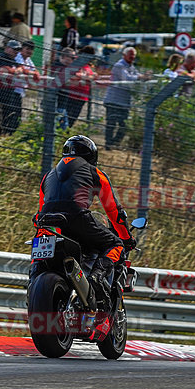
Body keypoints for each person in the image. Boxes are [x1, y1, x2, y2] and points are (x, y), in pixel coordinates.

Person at [33, 135, 135, 324]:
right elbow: (114, 211)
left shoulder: (48, 176)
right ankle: (96, 277)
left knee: (39, 248)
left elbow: (40, 209)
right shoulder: (95, 172)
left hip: (46, 222)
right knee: (116, 244)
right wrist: (126, 238)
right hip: (76, 217)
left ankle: (33, 281)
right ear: (92, 156)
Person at [103, 46, 151, 148]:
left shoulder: (131, 67)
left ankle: (115, 143)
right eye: (130, 55)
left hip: (124, 102)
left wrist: (144, 76)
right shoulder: (119, 66)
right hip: (113, 100)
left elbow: (137, 76)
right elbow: (127, 80)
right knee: (111, 123)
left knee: (124, 125)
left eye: (133, 55)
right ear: (124, 55)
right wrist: (140, 77)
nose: (132, 57)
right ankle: (108, 144)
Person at [0, 40, 25, 136]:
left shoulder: (13, 60)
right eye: (14, 49)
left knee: (10, 113)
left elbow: (20, 69)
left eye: (18, 50)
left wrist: (14, 70)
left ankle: (6, 134)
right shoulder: (0, 57)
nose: (16, 52)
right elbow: (3, 70)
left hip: (9, 90)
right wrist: (14, 70)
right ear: (7, 48)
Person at [62, 45, 98, 128]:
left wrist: (85, 77)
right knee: (65, 119)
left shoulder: (88, 66)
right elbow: (72, 75)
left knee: (72, 120)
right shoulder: (76, 62)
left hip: (82, 97)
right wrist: (86, 77)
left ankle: (65, 135)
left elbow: (94, 76)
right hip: (71, 95)